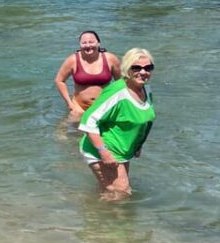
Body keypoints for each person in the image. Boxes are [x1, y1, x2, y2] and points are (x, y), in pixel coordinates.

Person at [78, 48, 156, 199]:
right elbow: (88, 120)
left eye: (148, 68)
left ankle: (94, 211)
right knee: (122, 194)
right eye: (136, 68)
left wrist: (139, 144)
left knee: (113, 192)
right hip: (105, 150)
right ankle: (94, 217)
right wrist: (104, 152)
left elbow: (145, 119)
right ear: (127, 69)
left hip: (122, 151)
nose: (143, 72)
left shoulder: (146, 89)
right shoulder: (118, 92)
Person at [54, 30, 121, 119]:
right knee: (72, 131)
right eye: (84, 43)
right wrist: (70, 104)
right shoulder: (73, 60)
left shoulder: (110, 59)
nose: (88, 45)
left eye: (91, 42)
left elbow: (121, 82)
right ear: (80, 45)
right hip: (79, 108)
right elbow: (59, 81)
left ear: (98, 43)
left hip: (105, 106)